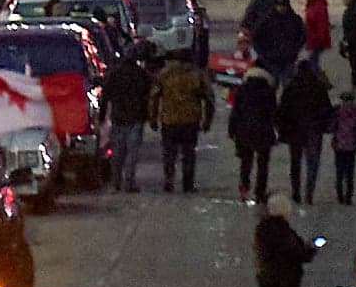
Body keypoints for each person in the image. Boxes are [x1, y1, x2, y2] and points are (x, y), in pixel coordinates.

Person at [149, 48, 214, 193]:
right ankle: (188, 184)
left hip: (169, 120)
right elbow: (209, 99)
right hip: (190, 119)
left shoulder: (164, 75)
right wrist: (207, 120)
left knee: (169, 153)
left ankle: (169, 181)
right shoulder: (197, 75)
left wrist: (152, 118)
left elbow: (153, 98)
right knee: (189, 153)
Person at [277, 58, 334, 207]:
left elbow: (282, 110)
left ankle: (296, 192)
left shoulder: (291, 88)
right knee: (312, 162)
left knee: (295, 162)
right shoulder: (319, 87)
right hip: (314, 130)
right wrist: (326, 126)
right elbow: (326, 109)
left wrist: (281, 129)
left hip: (294, 130)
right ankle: (309, 191)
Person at [104, 42, 154, 192]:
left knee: (117, 153)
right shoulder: (141, 74)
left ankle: (115, 183)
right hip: (136, 117)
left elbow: (105, 95)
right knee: (132, 153)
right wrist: (149, 116)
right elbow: (148, 96)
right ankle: (129, 182)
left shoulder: (114, 73)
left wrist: (102, 116)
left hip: (118, 117)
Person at [228, 67, 278, 205]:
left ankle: (244, 188)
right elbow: (273, 113)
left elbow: (235, 112)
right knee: (263, 164)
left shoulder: (242, 90)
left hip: (244, 131)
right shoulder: (268, 92)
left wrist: (231, 130)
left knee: (245, 162)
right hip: (263, 132)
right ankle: (260, 192)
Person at [330, 92, 356, 205]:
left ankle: (340, 195)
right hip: (351, 146)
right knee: (350, 172)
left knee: (339, 172)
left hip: (339, 146)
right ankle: (348, 196)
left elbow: (331, 127)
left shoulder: (337, 112)